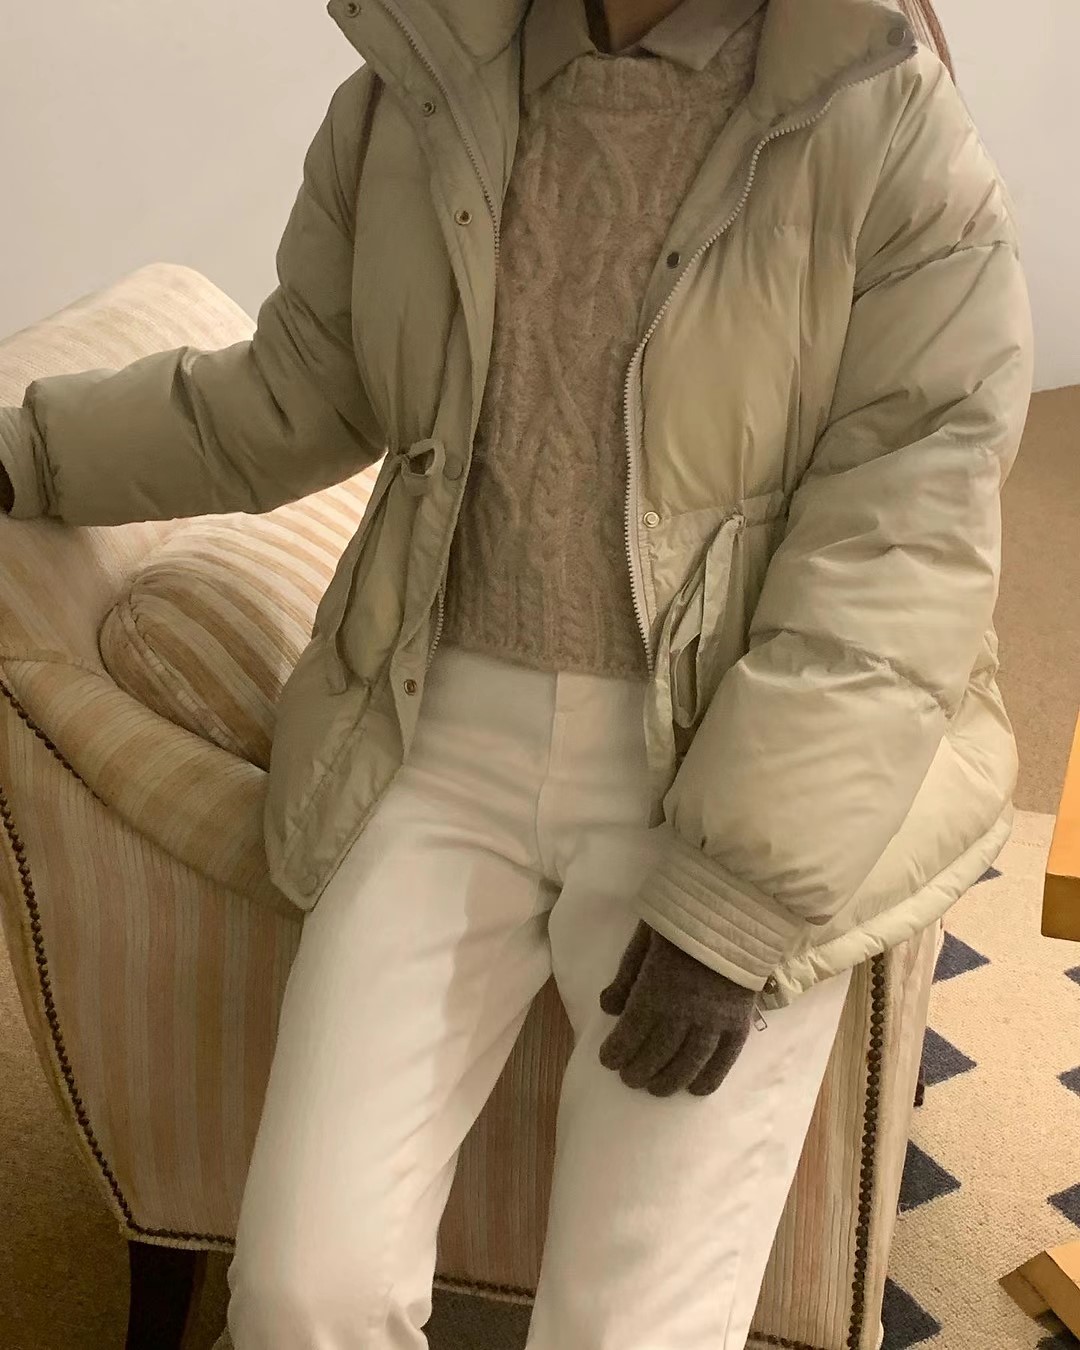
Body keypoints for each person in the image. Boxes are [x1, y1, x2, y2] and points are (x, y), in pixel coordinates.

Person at [0, 0, 1033, 1345]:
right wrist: (29, 452)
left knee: (634, 1328)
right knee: (302, 1290)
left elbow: (904, 533)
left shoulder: (887, 125)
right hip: (435, 743)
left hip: (718, 754)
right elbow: (290, 394)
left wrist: (739, 896)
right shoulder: (416, 86)